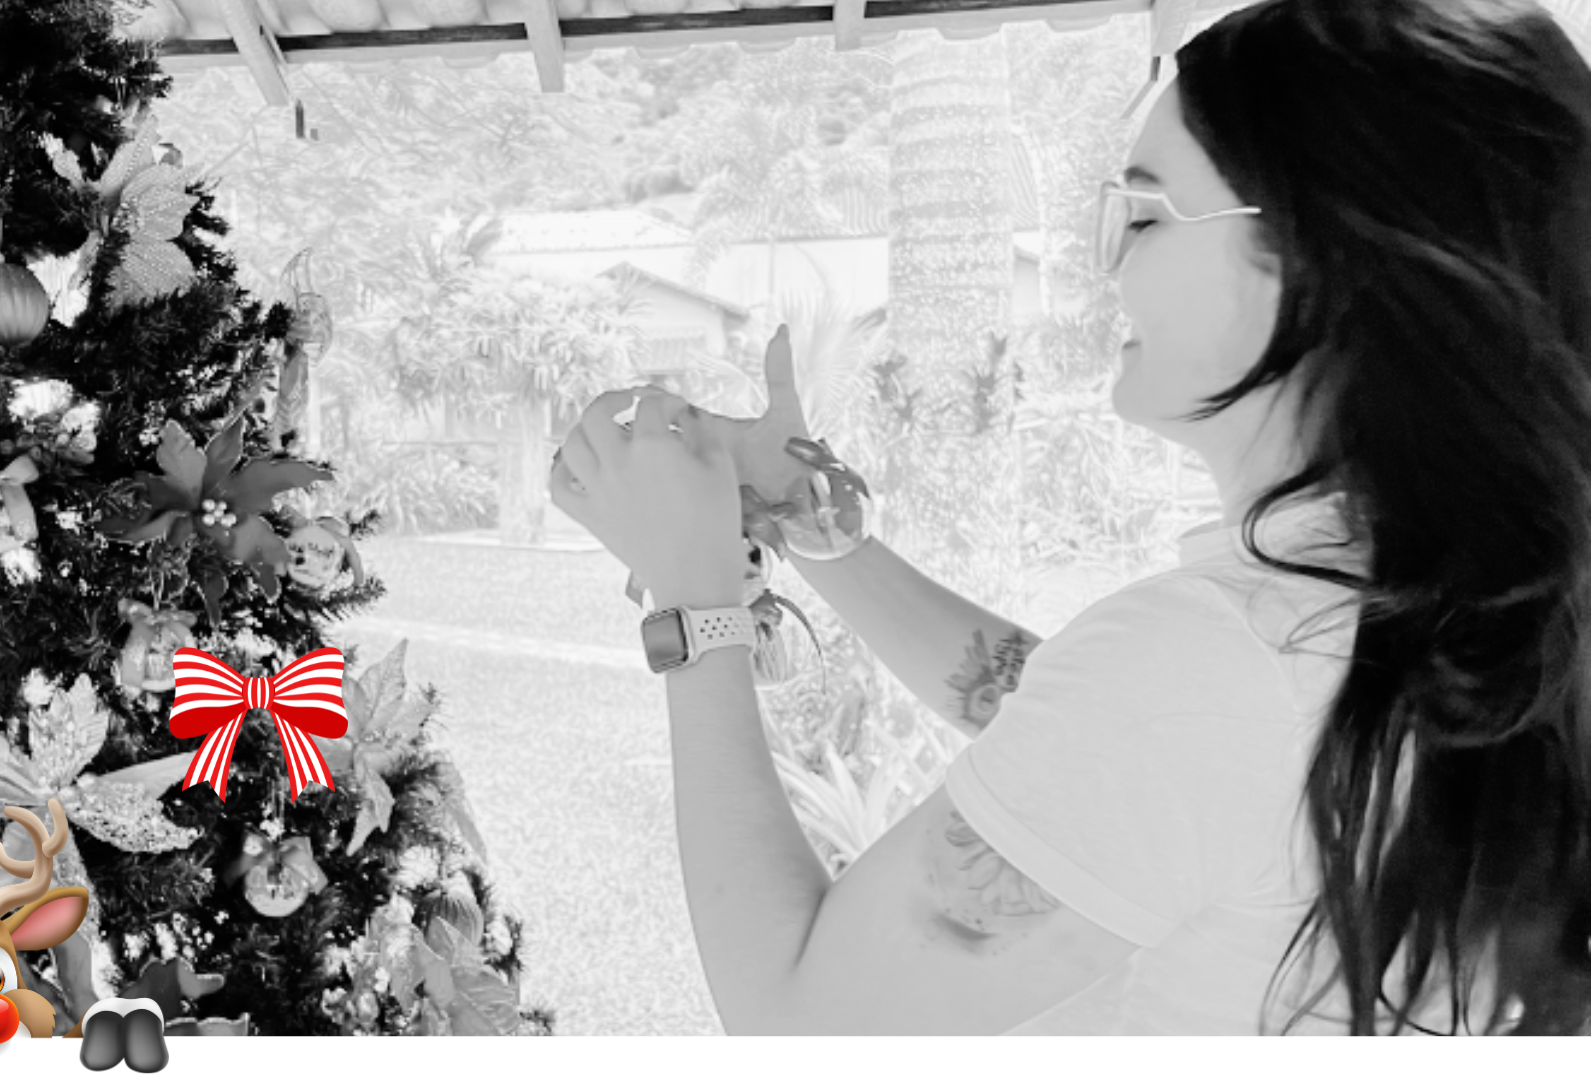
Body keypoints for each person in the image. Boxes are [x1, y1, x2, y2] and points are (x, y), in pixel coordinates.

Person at [546, 0, 1591, 1035]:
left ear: (1323, 258)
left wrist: (694, 602)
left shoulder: (1220, 662)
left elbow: (794, 1023)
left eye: (1145, 214)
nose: (1107, 259)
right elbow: (1096, 734)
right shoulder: (1448, 604)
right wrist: (814, 529)